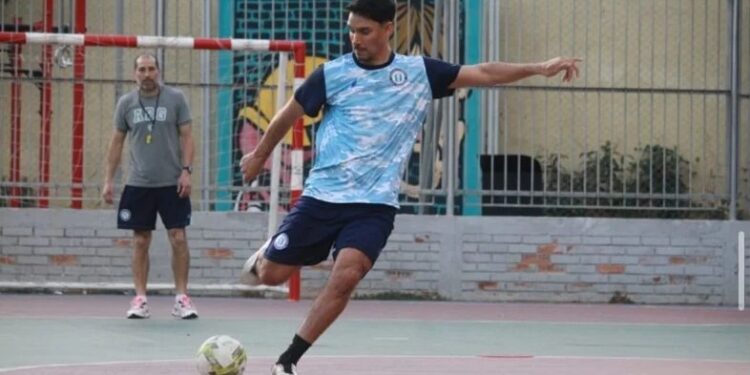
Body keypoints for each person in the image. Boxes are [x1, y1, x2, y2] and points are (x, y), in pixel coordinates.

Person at [239, 0, 581, 373]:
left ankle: (287, 361)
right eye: (352, 30)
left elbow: (483, 72)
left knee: (347, 276)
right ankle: (269, 253)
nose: (356, 38)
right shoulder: (331, 74)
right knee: (270, 277)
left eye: (365, 31)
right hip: (323, 197)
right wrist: (258, 155)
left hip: (374, 205)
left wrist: (538, 68)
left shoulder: (419, 72)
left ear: (388, 28)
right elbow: (289, 113)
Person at [102, 53, 198, 320]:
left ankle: (181, 298)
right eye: (142, 69)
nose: (147, 74)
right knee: (141, 240)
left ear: (159, 71)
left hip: (172, 183)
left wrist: (187, 171)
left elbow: (188, 137)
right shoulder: (126, 103)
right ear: (135, 73)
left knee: (178, 237)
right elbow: (116, 143)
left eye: (151, 69)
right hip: (138, 184)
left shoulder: (176, 98)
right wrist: (109, 180)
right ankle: (140, 298)